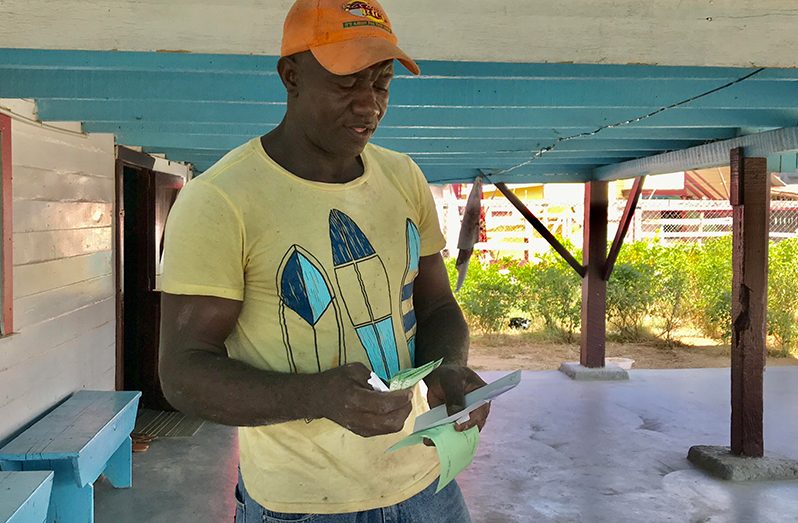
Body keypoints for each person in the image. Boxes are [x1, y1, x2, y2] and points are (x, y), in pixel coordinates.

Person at [158, 1, 490, 521]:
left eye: (381, 83)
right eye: (346, 82)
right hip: (301, 504)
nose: (368, 105)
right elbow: (183, 371)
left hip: (426, 484)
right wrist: (316, 396)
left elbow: (438, 307)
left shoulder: (403, 178)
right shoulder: (221, 200)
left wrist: (449, 367)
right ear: (291, 76)